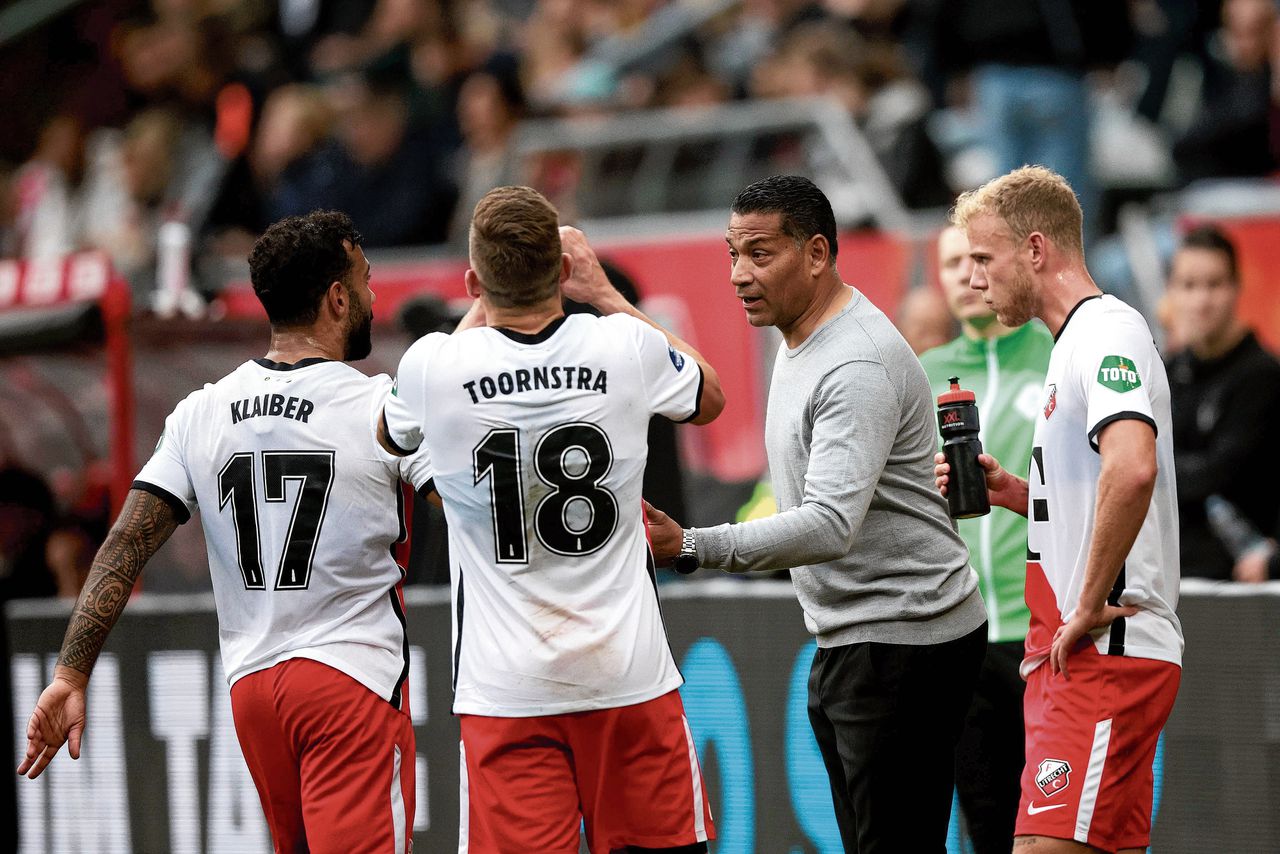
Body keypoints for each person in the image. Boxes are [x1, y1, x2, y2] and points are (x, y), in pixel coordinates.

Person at [17, 211, 429, 854]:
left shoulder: (201, 411)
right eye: (367, 281)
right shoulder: (380, 405)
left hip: (253, 693)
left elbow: (125, 544)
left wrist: (71, 673)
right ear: (338, 297)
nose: (374, 298)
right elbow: (466, 507)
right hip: (349, 679)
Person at [645, 174, 988, 852]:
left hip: (904, 639)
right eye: (732, 254)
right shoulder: (798, 330)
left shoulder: (853, 361)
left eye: (761, 254)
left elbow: (830, 524)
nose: (741, 274)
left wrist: (692, 545)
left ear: (817, 253)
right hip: (862, 635)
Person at [377, 186, 723, 853]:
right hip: (629, 674)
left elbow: (396, 439)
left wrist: (478, 308)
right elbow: (708, 396)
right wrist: (612, 296)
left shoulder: (434, 365)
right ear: (563, 271)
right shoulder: (624, 344)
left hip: (507, 690)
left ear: (476, 281)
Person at [940, 165, 1183, 854]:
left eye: (985, 258)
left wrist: (1089, 597)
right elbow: (1101, 487)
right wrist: (1018, 493)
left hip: (1102, 655)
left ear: (1037, 250)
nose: (975, 278)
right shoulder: (1074, 340)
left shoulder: (1107, 331)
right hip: (1082, 658)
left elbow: (1134, 468)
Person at [919, 226, 1053, 854]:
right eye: (951, 264)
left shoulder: (1056, 351)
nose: (966, 277)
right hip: (962, 638)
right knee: (987, 819)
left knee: (1058, 826)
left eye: (976, 260)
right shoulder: (925, 376)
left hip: (1047, 633)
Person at [1162, 223, 1280, 582]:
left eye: (1214, 284)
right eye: (1189, 286)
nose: (1202, 300)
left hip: (1242, 578)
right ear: (1172, 293)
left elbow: (1219, 472)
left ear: (1236, 287)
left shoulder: (1263, 375)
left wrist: (1156, 468)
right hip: (1176, 571)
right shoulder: (1168, 370)